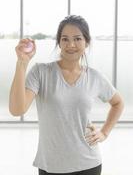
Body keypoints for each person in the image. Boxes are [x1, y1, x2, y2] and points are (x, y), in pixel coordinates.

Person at [9, 15, 124, 175]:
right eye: (65, 39)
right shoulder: (41, 72)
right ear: (59, 42)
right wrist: (22, 63)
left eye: (77, 39)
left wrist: (104, 132)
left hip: (89, 163)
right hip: (51, 166)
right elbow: (17, 109)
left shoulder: (95, 77)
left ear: (86, 42)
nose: (71, 44)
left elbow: (118, 103)